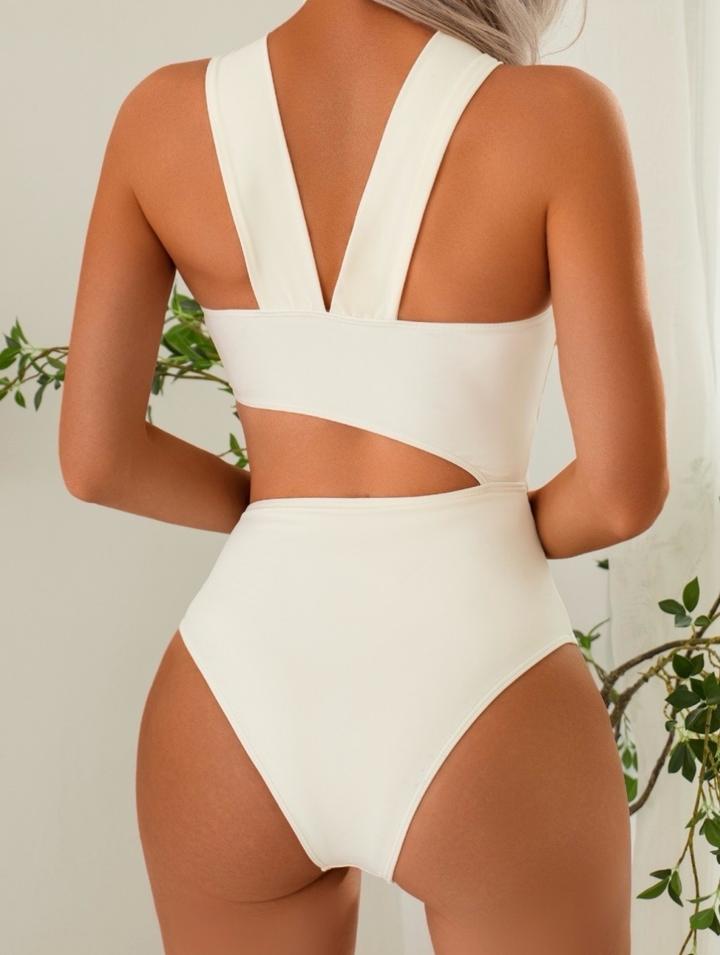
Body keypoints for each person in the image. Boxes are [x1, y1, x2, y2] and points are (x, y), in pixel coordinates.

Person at [58, 0, 668, 951]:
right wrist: (484, 530)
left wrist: (276, 509)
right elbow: (623, 491)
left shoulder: (160, 117)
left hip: (239, 681)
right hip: (485, 674)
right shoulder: (558, 117)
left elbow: (97, 461)